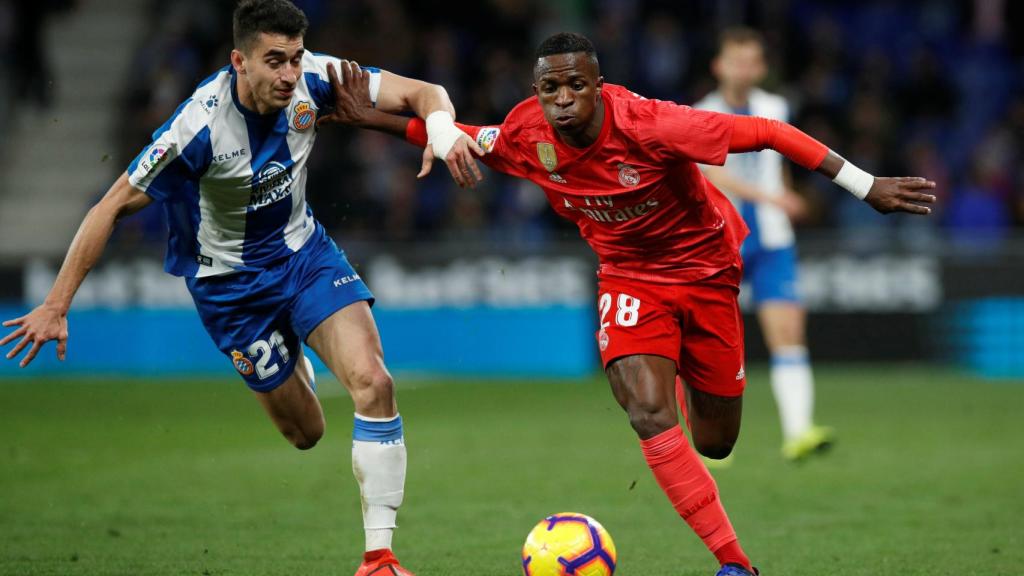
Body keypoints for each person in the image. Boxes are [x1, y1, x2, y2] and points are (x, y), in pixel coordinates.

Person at [321, 32, 936, 576]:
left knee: (716, 441)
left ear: (599, 86)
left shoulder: (654, 124)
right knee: (647, 410)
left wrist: (866, 185)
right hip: (629, 279)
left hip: (707, 273)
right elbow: (448, 135)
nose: (561, 98)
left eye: (574, 85)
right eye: (548, 88)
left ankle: (686, 394)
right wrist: (361, 116)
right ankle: (735, 564)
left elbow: (771, 133)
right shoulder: (525, 134)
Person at [0, 1, 482, 575]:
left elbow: (425, 92)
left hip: (304, 255)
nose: (287, 74)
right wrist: (56, 305)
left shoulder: (317, 79)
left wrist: (442, 130)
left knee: (374, 383)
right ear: (239, 62)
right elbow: (109, 206)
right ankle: (291, 356)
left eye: (295, 59)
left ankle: (379, 558)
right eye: (273, 61)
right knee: (306, 433)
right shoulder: (196, 128)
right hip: (229, 289)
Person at [694, 28, 832, 462]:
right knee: (706, 344)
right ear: (719, 66)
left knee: (788, 330)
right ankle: (710, 440)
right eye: (736, 60)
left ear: (762, 68)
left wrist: (784, 199)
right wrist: (772, 197)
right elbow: (710, 175)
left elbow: (779, 166)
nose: (744, 68)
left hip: (772, 237)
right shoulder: (700, 113)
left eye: (752, 61)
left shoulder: (775, 107)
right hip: (720, 237)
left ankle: (798, 433)